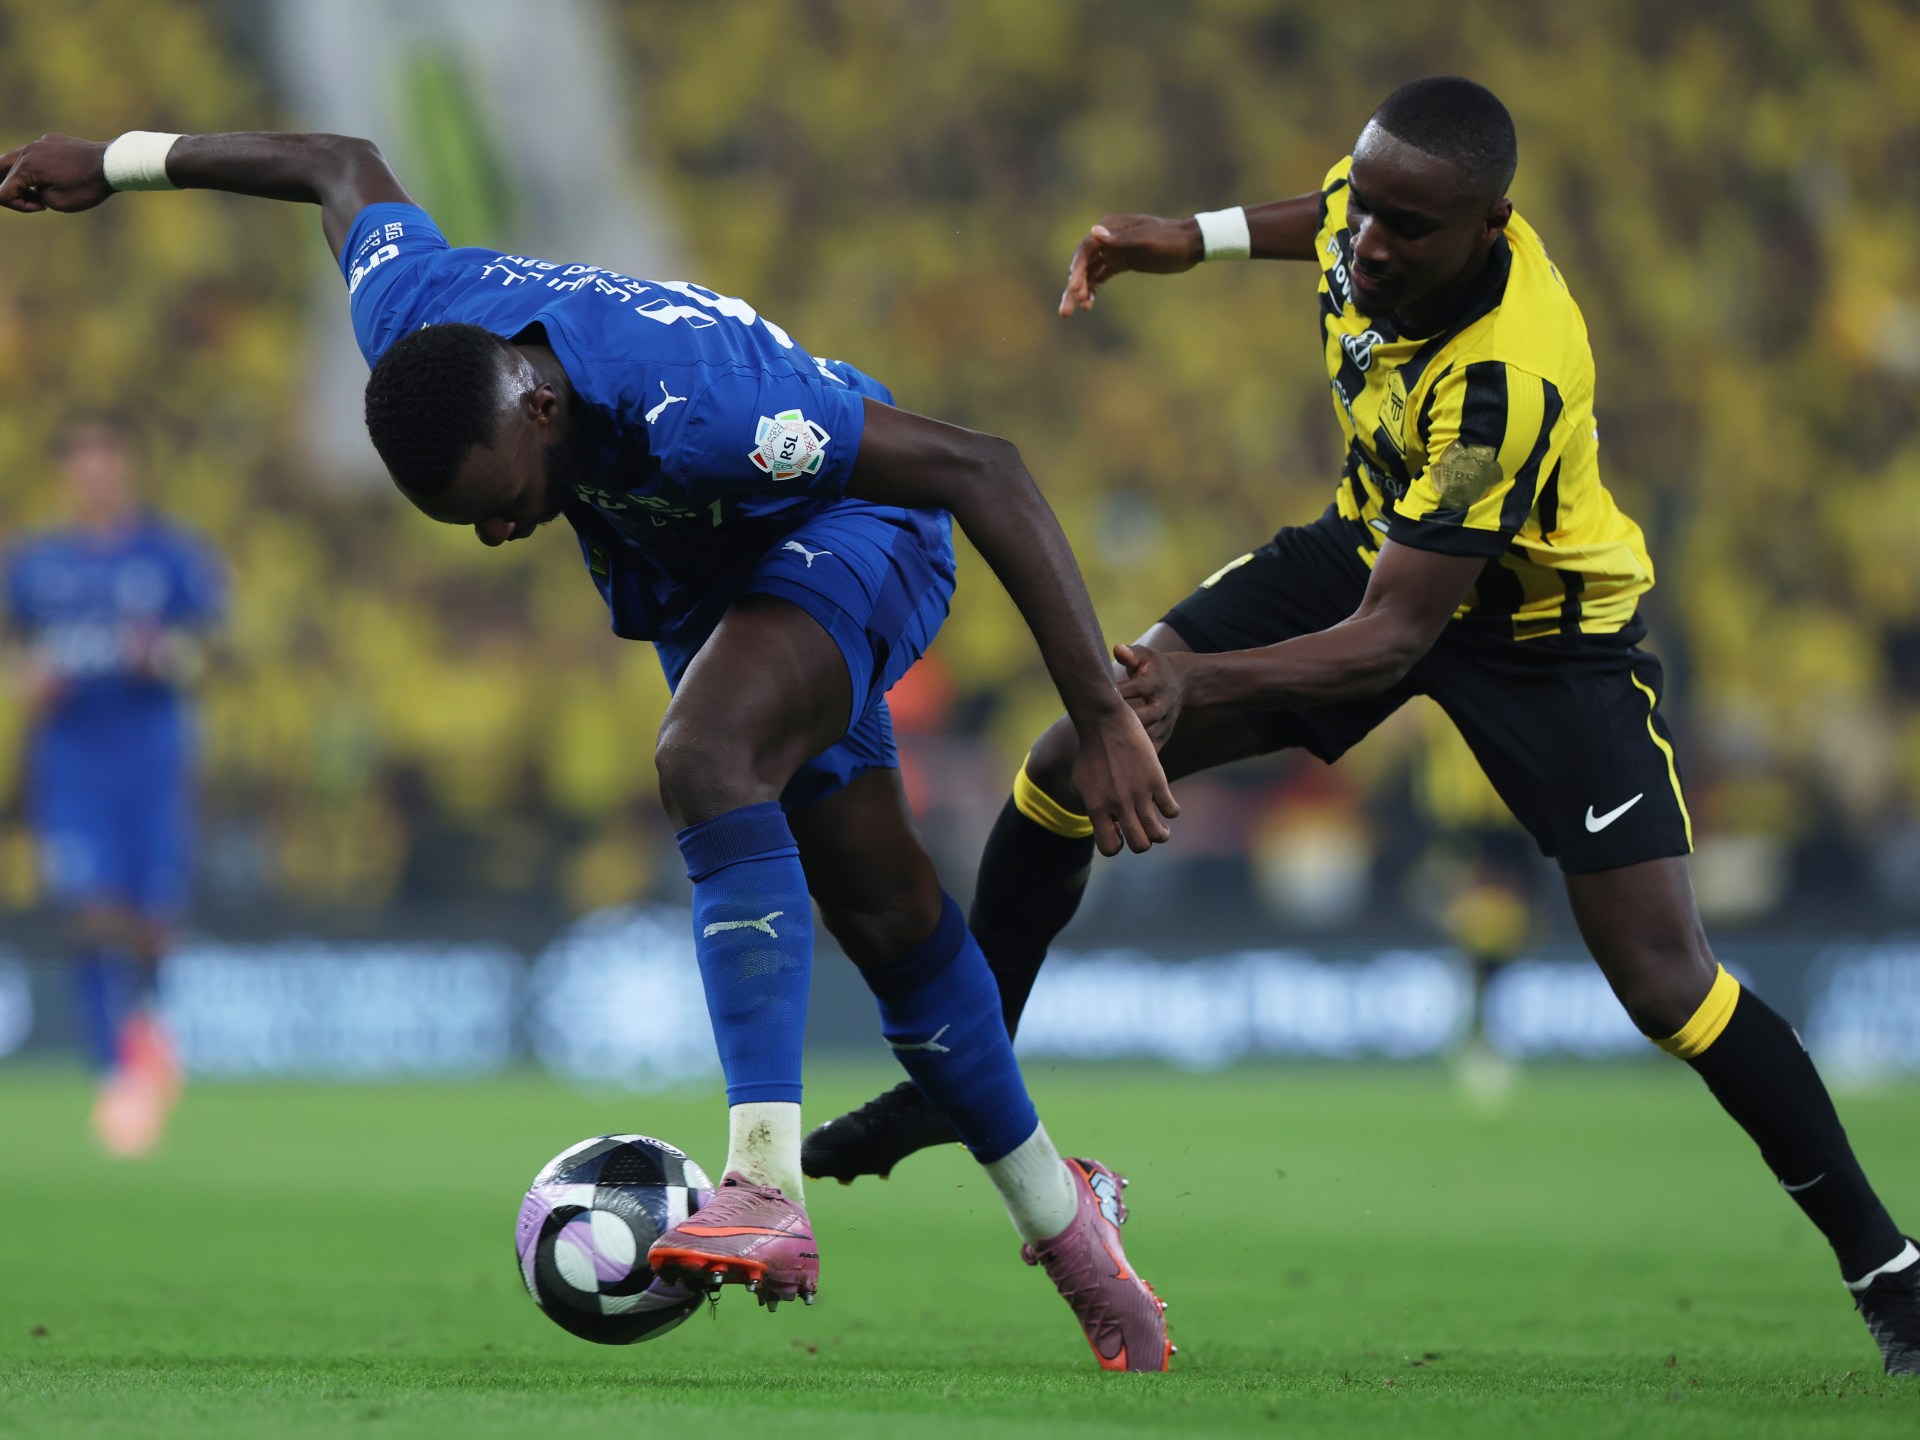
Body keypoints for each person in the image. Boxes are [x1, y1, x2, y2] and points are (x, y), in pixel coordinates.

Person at [0, 127, 1178, 1370]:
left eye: (500, 500)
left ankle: (763, 1182)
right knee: (889, 924)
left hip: (854, 526)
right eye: (466, 522)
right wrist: (118, 161)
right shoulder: (420, 319)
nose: (500, 534)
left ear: (543, 405)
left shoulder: (706, 409)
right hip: (711, 590)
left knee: (705, 756)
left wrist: (1099, 714)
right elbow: (337, 165)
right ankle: (1073, 1228)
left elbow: (978, 467)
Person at [802, 76, 1920, 1376]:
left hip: (1540, 636)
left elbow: (1394, 642)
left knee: (1666, 981)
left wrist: (1180, 689)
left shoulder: (1508, 376)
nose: (1367, 243)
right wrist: (1189, 237)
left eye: (1404, 228)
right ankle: (964, 1080)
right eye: (1366, 209)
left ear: (1487, 231)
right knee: (1062, 767)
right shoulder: (1378, 203)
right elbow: (1323, 213)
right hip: (1371, 548)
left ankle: (1889, 1270)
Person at [2, 418, 224, 1156]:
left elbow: (212, 649)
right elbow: (13, 653)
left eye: (106, 462)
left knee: (151, 920)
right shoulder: (36, 563)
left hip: (149, 754)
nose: (94, 476)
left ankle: (147, 1035)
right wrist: (23, 679)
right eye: (81, 463)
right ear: (68, 474)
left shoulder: (169, 554)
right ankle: (119, 1075)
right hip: (71, 758)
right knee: (91, 910)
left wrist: (167, 656)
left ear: (126, 468)